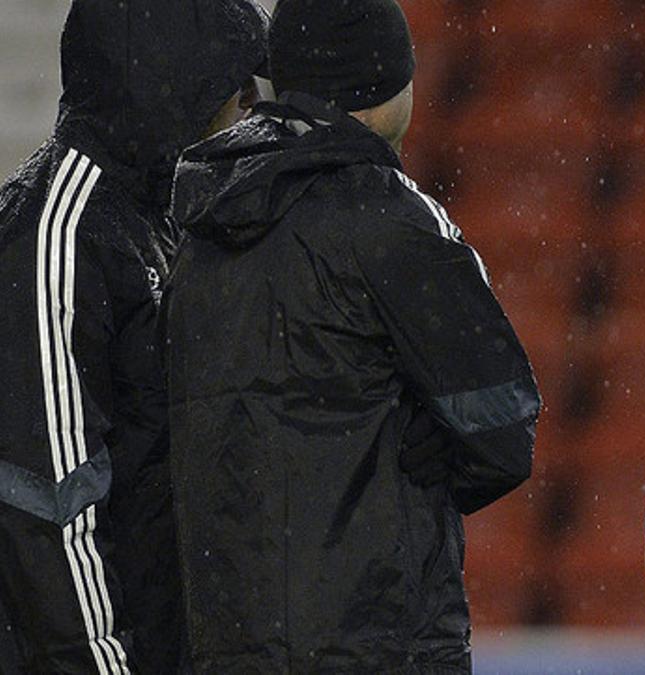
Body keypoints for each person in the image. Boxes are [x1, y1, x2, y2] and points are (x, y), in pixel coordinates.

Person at [163, 0, 541, 671]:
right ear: (384, 83)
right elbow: (503, 429)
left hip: (226, 644)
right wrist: (411, 448)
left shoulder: (196, 227)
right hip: (377, 642)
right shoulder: (392, 219)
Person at [0, 0, 267, 672]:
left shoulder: (158, 218)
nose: (248, 105)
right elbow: (47, 503)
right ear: (175, 84)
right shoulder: (55, 239)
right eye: (234, 84)